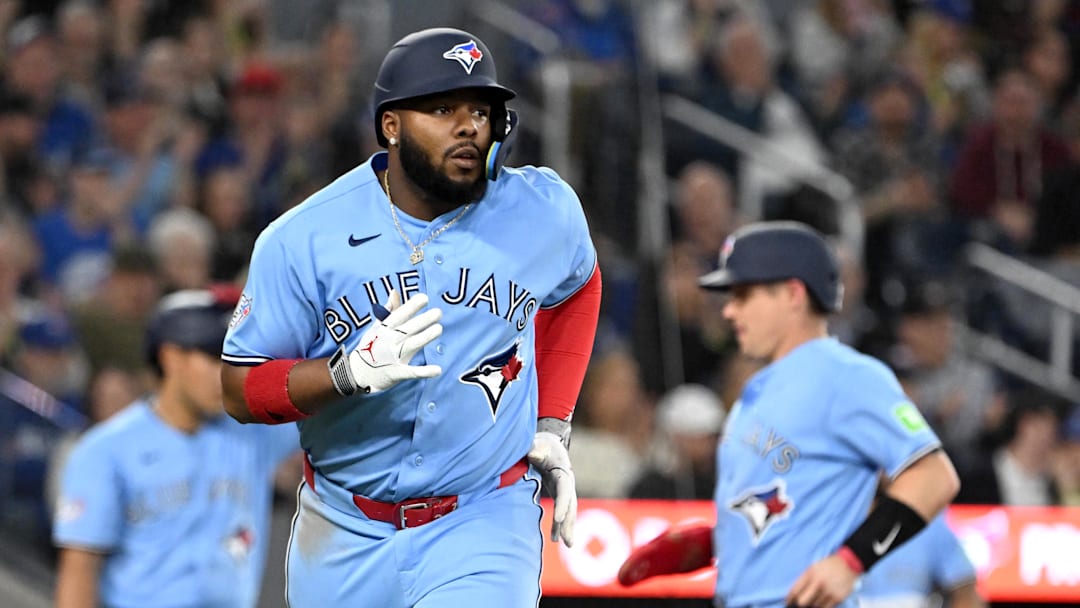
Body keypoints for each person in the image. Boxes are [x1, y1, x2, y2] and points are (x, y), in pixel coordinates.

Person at [219, 27, 601, 607]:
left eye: (482, 109)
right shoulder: (303, 237)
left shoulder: (542, 210)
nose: (469, 125)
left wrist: (552, 421)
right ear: (391, 125)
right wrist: (343, 375)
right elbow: (239, 388)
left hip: (482, 516)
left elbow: (579, 284)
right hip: (344, 527)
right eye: (443, 108)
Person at [618, 221, 960, 608]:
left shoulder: (846, 375)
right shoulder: (756, 390)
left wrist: (851, 561)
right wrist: (718, 540)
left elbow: (934, 476)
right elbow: (793, 507)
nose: (729, 310)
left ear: (793, 294)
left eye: (743, 295)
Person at [52, 286, 298, 608]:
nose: (226, 373)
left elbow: (330, 396)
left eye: (234, 359)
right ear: (171, 357)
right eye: (213, 358)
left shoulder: (253, 434)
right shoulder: (104, 450)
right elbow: (79, 573)